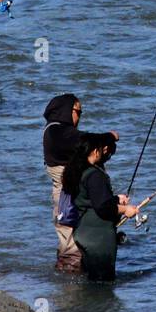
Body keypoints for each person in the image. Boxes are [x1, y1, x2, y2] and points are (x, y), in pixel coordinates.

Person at [42, 94, 120, 273]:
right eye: (78, 112)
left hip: (68, 190)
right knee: (69, 231)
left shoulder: (59, 131)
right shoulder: (56, 130)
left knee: (71, 230)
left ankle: (72, 270)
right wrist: (109, 136)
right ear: (65, 111)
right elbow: (82, 140)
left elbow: (80, 144)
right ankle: (71, 278)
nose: (79, 117)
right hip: (65, 192)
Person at [63, 132, 139, 282]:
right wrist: (126, 210)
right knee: (103, 284)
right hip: (98, 239)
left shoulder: (78, 171)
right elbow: (103, 208)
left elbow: (88, 199)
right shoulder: (94, 175)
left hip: (83, 233)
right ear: (95, 151)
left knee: (92, 281)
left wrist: (116, 199)